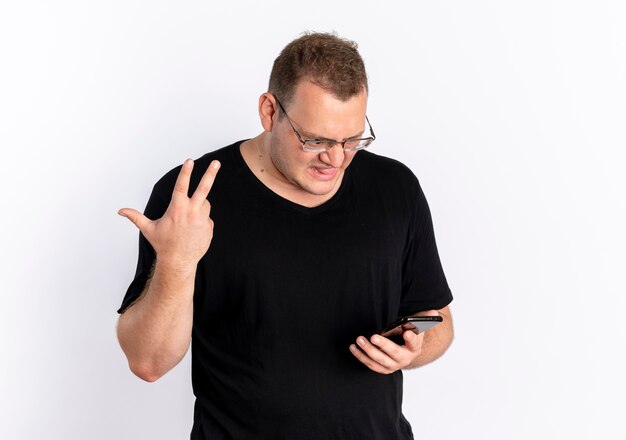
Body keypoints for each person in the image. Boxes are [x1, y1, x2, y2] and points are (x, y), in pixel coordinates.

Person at [117, 32, 454, 440]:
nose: (335, 158)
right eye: (315, 140)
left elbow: (438, 322)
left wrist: (412, 349)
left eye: (352, 140)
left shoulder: (395, 187)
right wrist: (177, 261)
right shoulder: (193, 197)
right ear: (269, 110)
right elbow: (147, 362)